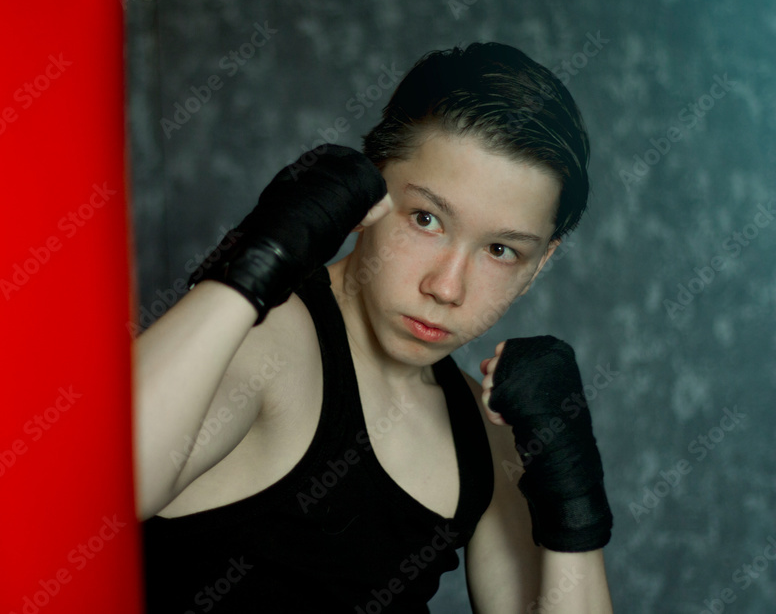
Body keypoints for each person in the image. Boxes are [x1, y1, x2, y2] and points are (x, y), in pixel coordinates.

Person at [134, 42, 614, 612]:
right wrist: (249, 270)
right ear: (370, 191)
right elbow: (79, 501)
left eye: (502, 249)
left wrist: (574, 504)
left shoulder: (484, 428)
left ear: (540, 265)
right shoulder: (272, 342)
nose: (446, 287)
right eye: (426, 218)